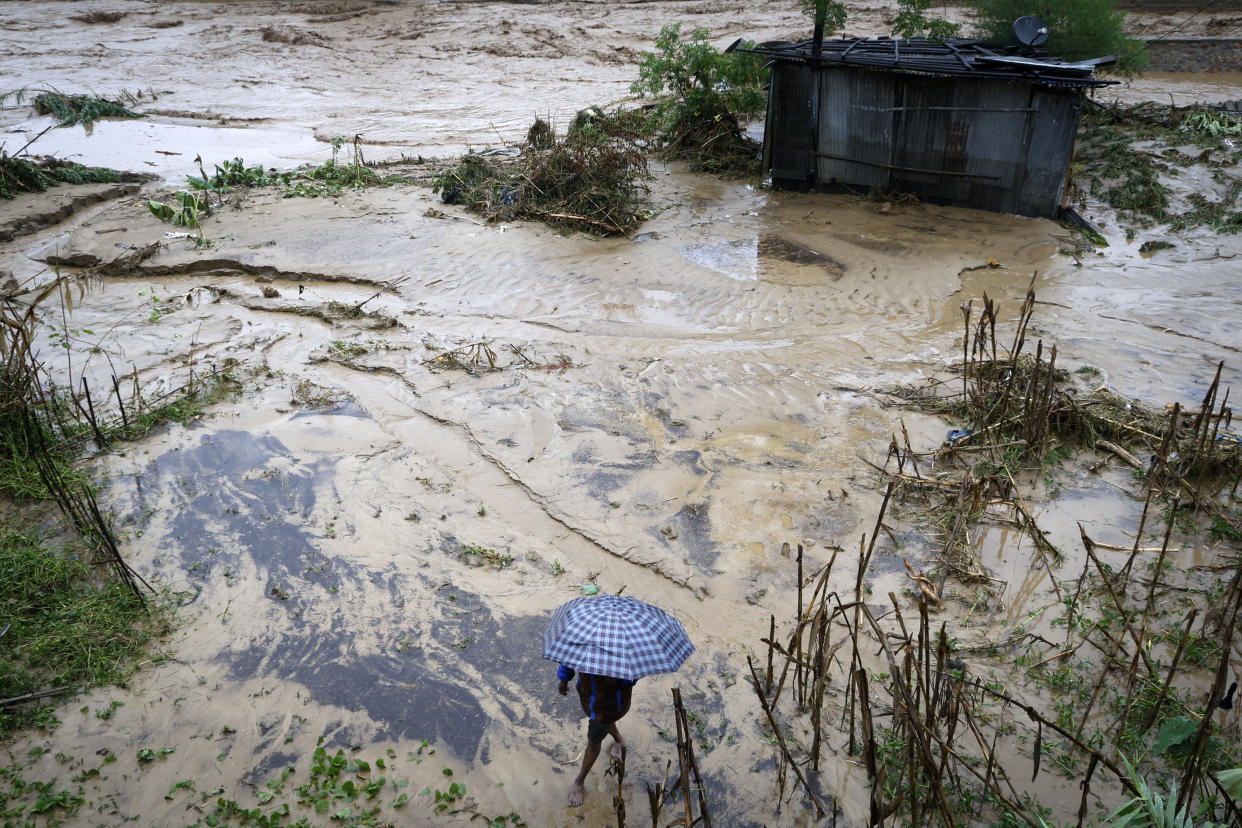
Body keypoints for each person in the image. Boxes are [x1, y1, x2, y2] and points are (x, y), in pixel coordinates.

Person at [557, 663, 636, 807]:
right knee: (603, 723)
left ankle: (579, 781)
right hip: (590, 697)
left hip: (611, 704)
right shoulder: (585, 641)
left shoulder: (623, 654)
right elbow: (570, 658)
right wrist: (564, 678)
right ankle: (619, 739)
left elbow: (634, 674)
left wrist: (617, 678)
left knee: (593, 743)